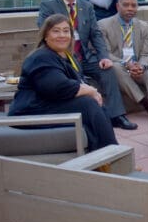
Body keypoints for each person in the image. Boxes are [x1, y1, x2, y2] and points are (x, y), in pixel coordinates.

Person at [38, 0, 137, 130]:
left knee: (109, 70)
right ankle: (87, 119)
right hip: (63, 58)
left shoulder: (86, 6)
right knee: (74, 78)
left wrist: (104, 56)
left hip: (84, 56)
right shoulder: (48, 5)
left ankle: (117, 115)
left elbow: (96, 34)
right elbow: (44, 30)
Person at [9, 14, 118, 151]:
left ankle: (109, 154)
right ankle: (110, 154)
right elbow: (57, 87)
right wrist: (91, 90)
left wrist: (90, 92)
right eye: (56, 31)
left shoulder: (66, 57)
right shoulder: (41, 57)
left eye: (66, 31)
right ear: (45, 36)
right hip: (30, 110)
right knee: (88, 103)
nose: (62, 35)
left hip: (49, 103)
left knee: (96, 105)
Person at [98, 0, 148, 114]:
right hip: (120, 67)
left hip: (137, 68)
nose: (130, 8)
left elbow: (146, 53)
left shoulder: (143, 26)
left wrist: (141, 66)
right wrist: (126, 64)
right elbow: (105, 53)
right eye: (126, 5)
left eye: (134, 5)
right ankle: (144, 102)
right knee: (115, 67)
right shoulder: (103, 25)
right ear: (117, 6)